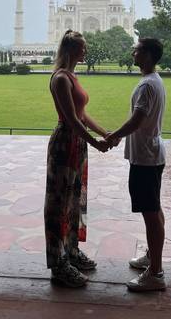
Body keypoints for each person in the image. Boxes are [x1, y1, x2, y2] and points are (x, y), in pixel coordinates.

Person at [44, 29, 110, 288]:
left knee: (74, 198)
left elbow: (82, 114)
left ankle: (70, 251)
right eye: (83, 48)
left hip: (76, 141)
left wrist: (106, 133)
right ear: (71, 50)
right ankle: (58, 264)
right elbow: (71, 119)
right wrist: (96, 143)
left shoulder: (72, 76)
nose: (86, 51)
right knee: (59, 202)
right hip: (64, 143)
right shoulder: (61, 78)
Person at [106, 37, 166, 291]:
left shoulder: (147, 86)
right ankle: (152, 258)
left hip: (145, 156)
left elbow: (137, 120)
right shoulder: (154, 80)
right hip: (151, 153)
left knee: (151, 214)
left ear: (149, 55)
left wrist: (114, 135)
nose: (133, 53)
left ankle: (156, 273)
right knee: (154, 210)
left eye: (138, 50)